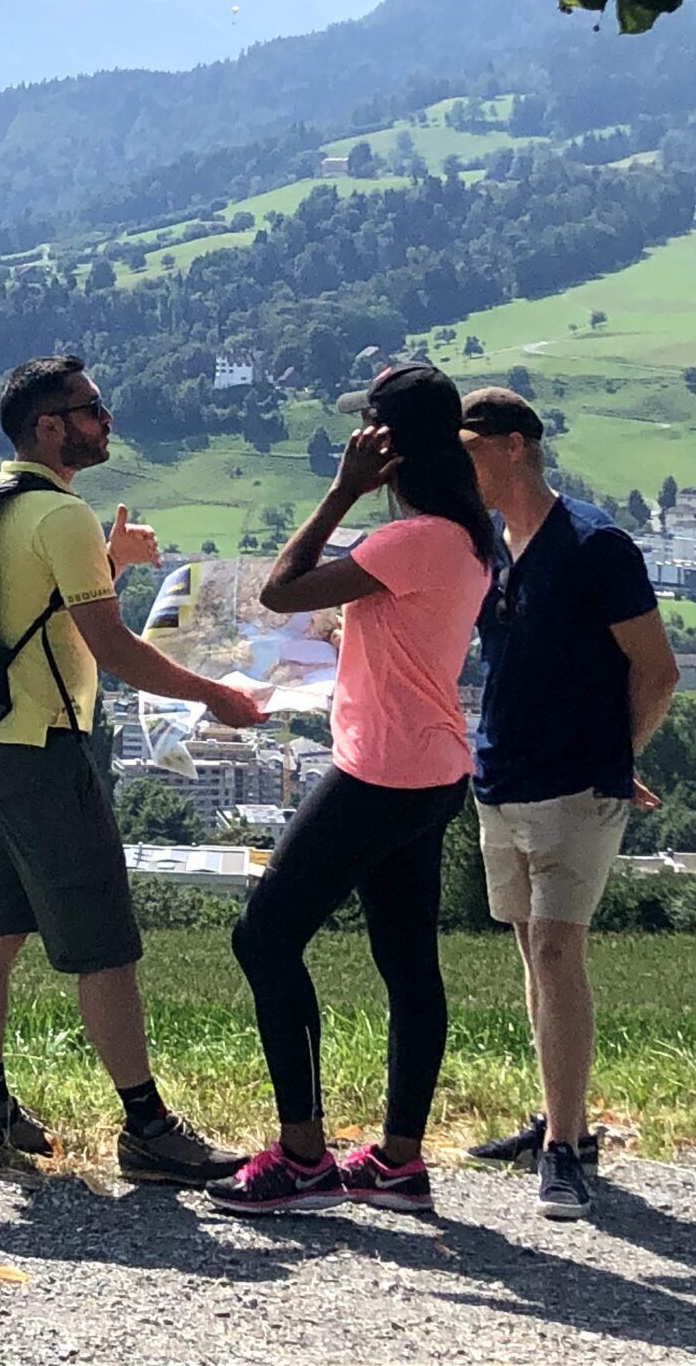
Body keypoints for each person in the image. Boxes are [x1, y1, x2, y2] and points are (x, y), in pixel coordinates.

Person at [0, 354, 268, 1184]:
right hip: (46, 753)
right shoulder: (59, 517)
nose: (107, 421)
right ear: (50, 426)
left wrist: (113, 560)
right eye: (92, 410)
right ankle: (149, 1128)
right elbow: (114, 649)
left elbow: (33, 614)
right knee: (106, 947)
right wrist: (217, 698)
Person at [208, 362, 493, 1215]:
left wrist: (339, 493)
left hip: (381, 770)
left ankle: (303, 1158)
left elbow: (280, 589)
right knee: (408, 964)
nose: (355, 443)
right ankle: (398, 1161)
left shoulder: (410, 540)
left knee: (263, 938)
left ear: (388, 446)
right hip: (436, 767)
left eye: (365, 431)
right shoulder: (465, 535)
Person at [457, 384, 678, 1219]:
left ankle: (564, 1149)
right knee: (531, 955)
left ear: (514, 445)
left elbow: (657, 670)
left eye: (469, 448)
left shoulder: (596, 545)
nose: (460, 465)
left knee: (555, 953)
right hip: (503, 777)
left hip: (577, 785)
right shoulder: (492, 544)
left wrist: (618, 757)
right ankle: (562, 1118)